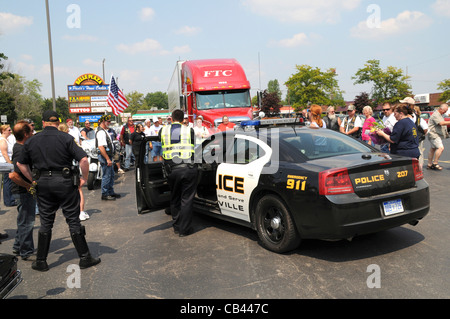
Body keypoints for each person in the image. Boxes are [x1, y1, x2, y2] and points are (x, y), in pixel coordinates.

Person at [17, 110, 100, 271]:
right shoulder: (66, 138)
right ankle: (84, 258)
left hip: (43, 183)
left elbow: (21, 164)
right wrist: (83, 177)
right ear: (57, 122)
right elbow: (83, 159)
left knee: (46, 222)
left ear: (43, 123)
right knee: (73, 220)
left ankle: (41, 261)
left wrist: (32, 179)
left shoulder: (32, 141)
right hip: (64, 182)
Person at [159, 109, 197, 237]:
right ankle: (184, 230)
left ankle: (176, 226)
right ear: (182, 119)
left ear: (171, 118)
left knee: (174, 197)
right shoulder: (189, 130)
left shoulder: (163, 130)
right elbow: (193, 145)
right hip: (187, 168)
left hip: (171, 169)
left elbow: (161, 144)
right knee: (186, 199)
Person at [9, 121, 36, 259]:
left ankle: (18, 245)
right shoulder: (20, 151)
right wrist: (29, 186)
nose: (33, 133)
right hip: (22, 191)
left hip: (23, 190)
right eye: (31, 131)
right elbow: (14, 175)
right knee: (27, 221)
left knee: (23, 219)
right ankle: (26, 251)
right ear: (25, 134)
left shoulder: (20, 147)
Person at [58, 123, 89, 221]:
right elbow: (83, 158)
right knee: (78, 189)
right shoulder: (69, 139)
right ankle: (81, 212)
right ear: (66, 130)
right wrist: (85, 177)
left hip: (57, 171)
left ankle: (69, 212)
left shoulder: (55, 141)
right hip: (70, 168)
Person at [96, 114, 120, 200]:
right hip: (105, 157)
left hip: (109, 156)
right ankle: (105, 193)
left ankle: (110, 192)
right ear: (103, 122)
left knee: (111, 175)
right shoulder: (101, 132)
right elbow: (101, 147)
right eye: (108, 121)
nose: (109, 123)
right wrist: (107, 159)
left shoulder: (104, 131)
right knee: (106, 175)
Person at [427, 103, 450, 171]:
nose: (445, 112)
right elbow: (441, 123)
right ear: (441, 109)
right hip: (434, 134)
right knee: (440, 148)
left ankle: (429, 164)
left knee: (433, 149)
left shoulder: (439, 114)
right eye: (445, 110)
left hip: (434, 134)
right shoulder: (436, 115)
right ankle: (435, 163)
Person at [0, 124, 17, 206]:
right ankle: (8, 201)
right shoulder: (3, 141)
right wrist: (11, 164)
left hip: (7, 162)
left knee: (9, 182)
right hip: (5, 163)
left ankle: (10, 199)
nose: (10, 131)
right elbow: (5, 154)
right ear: (3, 131)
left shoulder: (7, 140)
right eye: (9, 130)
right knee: (8, 182)